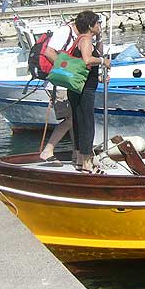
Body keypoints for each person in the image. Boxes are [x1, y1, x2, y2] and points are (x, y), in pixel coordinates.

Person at [64, 10, 110, 172]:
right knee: (87, 124)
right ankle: (86, 163)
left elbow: (97, 53)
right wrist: (103, 61)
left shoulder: (83, 39)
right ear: (90, 26)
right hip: (84, 89)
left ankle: (79, 158)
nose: (99, 26)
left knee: (79, 121)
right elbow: (87, 60)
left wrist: (100, 38)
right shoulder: (85, 40)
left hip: (80, 85)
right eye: (97, 23)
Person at [38, 18, 79, 163]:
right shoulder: (64, 32)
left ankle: (77, 153)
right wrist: (67, 70)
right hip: (58, 83)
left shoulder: (75, 36)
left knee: (74, 119)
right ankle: (48, 150)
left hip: (65, 83)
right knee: (70, 120)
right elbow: (49, 52)